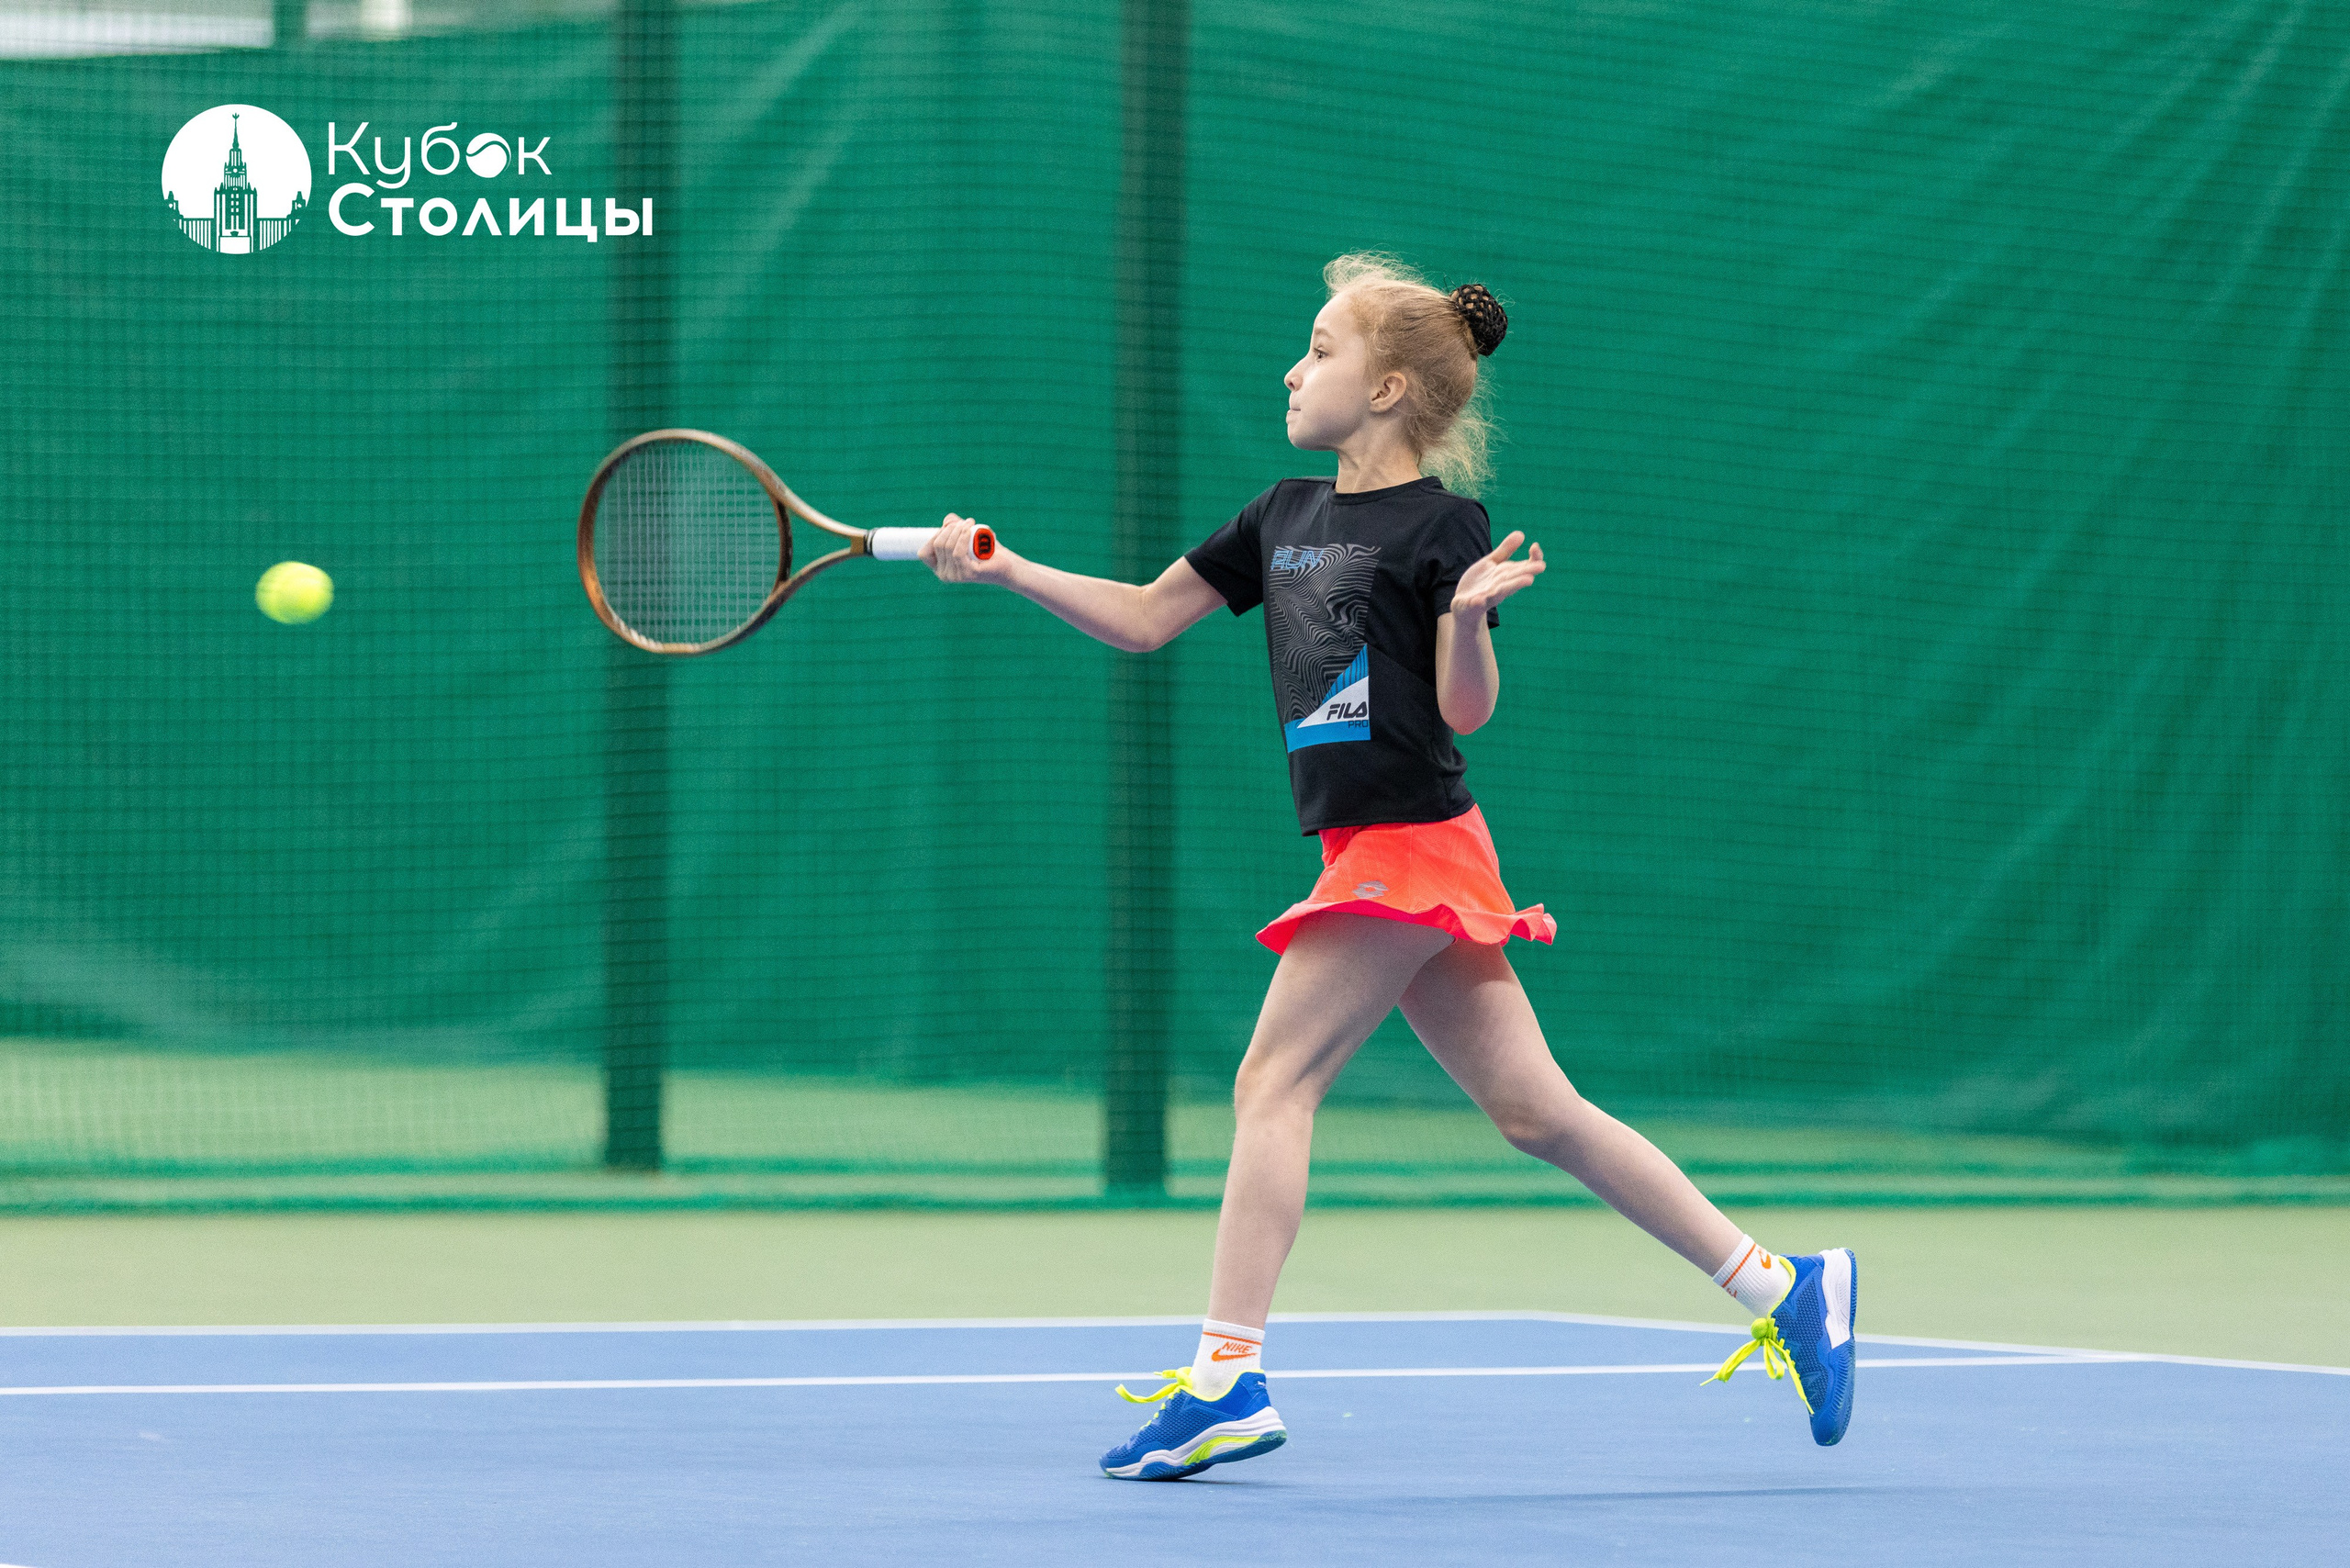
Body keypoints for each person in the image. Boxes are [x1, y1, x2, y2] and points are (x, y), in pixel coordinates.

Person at [919, 253, 1858, 1479]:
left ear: (1388, 386)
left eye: (1319, 349)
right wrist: (1009, 569)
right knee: (1540, 1114)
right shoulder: (1277, 517)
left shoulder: (1442, 528)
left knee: (1273, 1084)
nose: (1293, 368)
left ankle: (1226, 1376)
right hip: (1381, 849)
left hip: (1412, 846)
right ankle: (1785, 1287)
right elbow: (1149, 619)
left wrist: (1466, 618)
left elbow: (1465, 714)